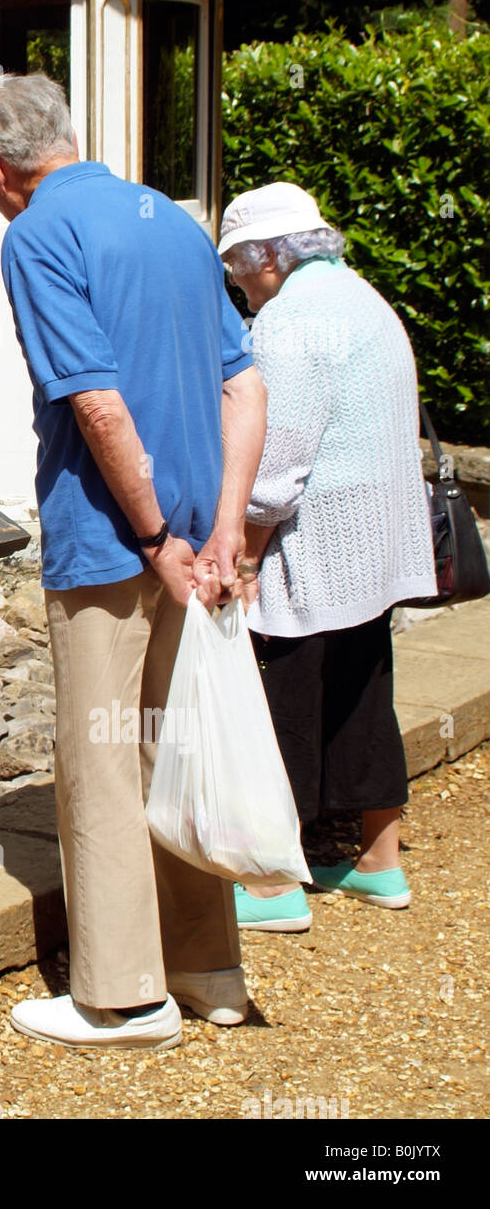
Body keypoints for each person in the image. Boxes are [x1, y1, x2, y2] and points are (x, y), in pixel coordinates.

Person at [0, 72, 268, 1050]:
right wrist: (222, 531)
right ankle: (209, 967)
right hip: (197, 540)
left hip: (113, 541)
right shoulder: (175, 222)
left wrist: (152, 539)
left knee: (101, 758)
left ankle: (123, 994)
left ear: (2, 166)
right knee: (175, 746)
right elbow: (245, 383)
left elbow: (93, 401)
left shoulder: (37, 231)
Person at [220, 183, 437, 931]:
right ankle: (380, 863)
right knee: (363, 690)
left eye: (238, 268)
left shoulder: (288, 324)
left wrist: (241, 562)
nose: (238, 284)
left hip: (315, 545)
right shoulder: (363, 298)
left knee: (284, 702)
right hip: (377, 540)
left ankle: (275, 884)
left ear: (267, 257)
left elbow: (273, 473)